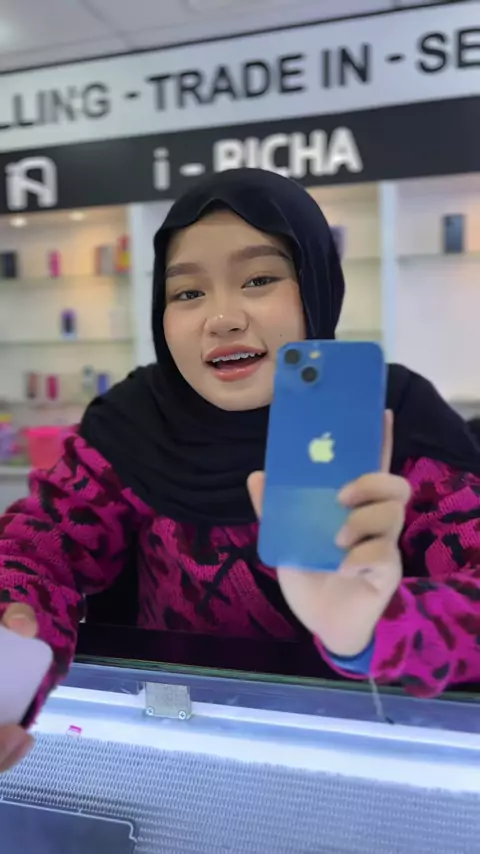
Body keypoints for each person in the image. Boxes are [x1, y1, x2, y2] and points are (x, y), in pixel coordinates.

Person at [2, 168, 480, 773]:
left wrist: (372, 628)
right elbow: (36, 550)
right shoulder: (132, 423)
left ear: (316, 284)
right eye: (187, 293)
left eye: (259, 279)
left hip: (368, 761)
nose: (221, 318)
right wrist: (12, 654)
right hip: (177, 757)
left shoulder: (393, 417)